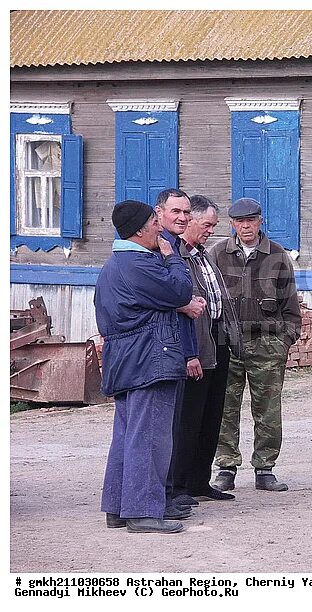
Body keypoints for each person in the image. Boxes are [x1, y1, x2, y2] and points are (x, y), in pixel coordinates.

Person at [96, 200, 193, 534]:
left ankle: (118, 507)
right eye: (155, 221)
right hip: (149, 357)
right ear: (139, 229)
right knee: (150, 435)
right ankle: (143, 512)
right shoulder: (141, 263)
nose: (159, 227)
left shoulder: (114, 264)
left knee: (127, 434)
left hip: (125, 359)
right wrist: (172, 256)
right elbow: (181, 290)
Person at [209, 197, 302, 492]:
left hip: (266, 344)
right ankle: (226, 466)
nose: (245, 226)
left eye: (251, 220)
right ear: (232, 224)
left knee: (268, 410)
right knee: (224, 407)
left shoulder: (277, 256)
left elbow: (291, 307)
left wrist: (284, 341)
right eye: (239, 221)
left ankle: (265, 468)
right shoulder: (217, 254)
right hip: (226, 344)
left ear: (261, 221)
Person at [169, 195, 243, 507]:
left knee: (212, 416)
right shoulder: (176, 256)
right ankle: (181, 485)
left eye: (214, 225)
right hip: (195, 343)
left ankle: (200, 481)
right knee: (188, 418)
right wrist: (190, 353)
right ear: (190, 222)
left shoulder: (202, 254)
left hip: (217, 341)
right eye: (207, 224)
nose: (212, 230)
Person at [154, 188, 207, 512]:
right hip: (161, 348)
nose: (183, 217)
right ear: (159, 213)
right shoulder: (159, 247)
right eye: (176, 211)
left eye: (186, 212)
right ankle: (162, 495)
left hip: (177, 346)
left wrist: (190, 351)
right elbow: (158, 293)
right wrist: (183, 303)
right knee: (161, 430)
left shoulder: (175, 245)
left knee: (172, 427)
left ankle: (170, 492)